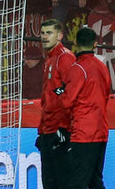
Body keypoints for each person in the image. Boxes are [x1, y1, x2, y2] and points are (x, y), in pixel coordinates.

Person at [60, 26, 112, 189]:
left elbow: (67, 100)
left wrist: (58, 89)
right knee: (95, 180)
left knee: (77, 181)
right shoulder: (102, 67)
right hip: (101, 130)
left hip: (83, 132)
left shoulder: (77, 68)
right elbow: (106, 94)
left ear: (75, 42)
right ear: (95, 44)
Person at [36, 19, 75, 189]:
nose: (44, 37)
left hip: (59, 130)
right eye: (43, 33)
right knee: (49, 182)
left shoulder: (65, 57)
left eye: (49, 33)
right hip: (48, 129)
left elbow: (70, 88)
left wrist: (63, 129)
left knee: (62, 181)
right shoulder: (50, 58)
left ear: (60, 36)